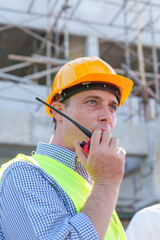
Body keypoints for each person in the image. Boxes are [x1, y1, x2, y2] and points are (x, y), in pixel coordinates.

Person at [0, 56, 133, 240]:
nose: (107, 117)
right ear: (57, 111)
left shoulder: (92, 185)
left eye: (112, 107)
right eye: (92, 102)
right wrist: (107, 184)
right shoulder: (23, 173)